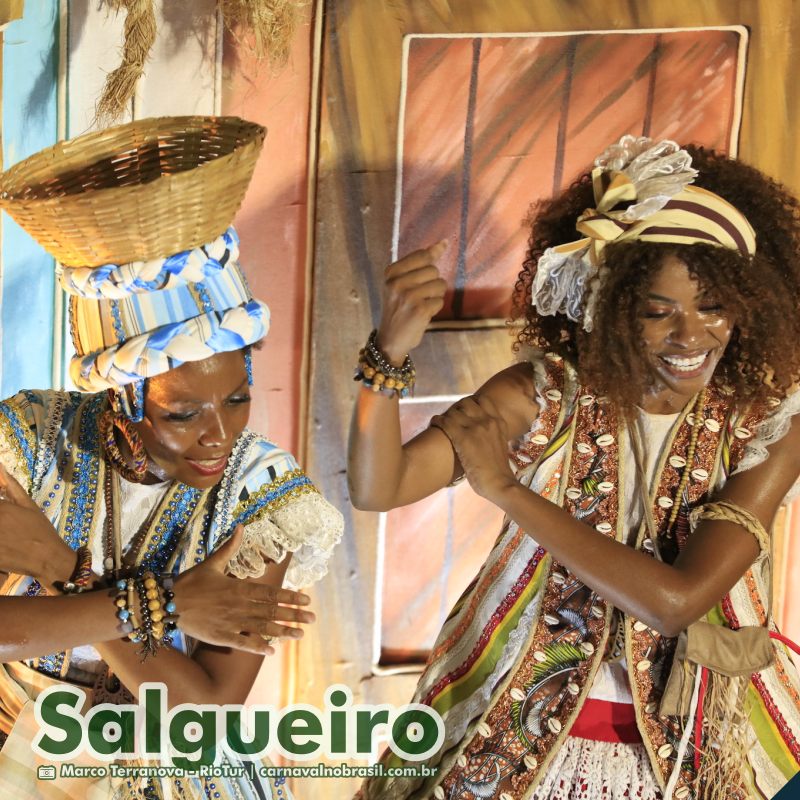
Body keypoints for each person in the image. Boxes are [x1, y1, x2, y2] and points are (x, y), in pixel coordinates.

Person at [349, 136, 800, 800]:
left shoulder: (764, 425)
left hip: (698, 753)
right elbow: (378, 486)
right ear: (609, 307)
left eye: (714, 307)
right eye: (658, 311)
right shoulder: (543, 397)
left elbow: (673, 604)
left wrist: (503, 489)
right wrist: (387, 358)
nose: (692, 336)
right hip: (511, 743)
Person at [0, 117, 343, 799]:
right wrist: (168, 606)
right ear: (123, 400)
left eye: (239, 399)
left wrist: (69, 575)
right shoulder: (33, 438)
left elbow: (206, 718)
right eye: (182, 414)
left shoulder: (261, 494)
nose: (219, 436)